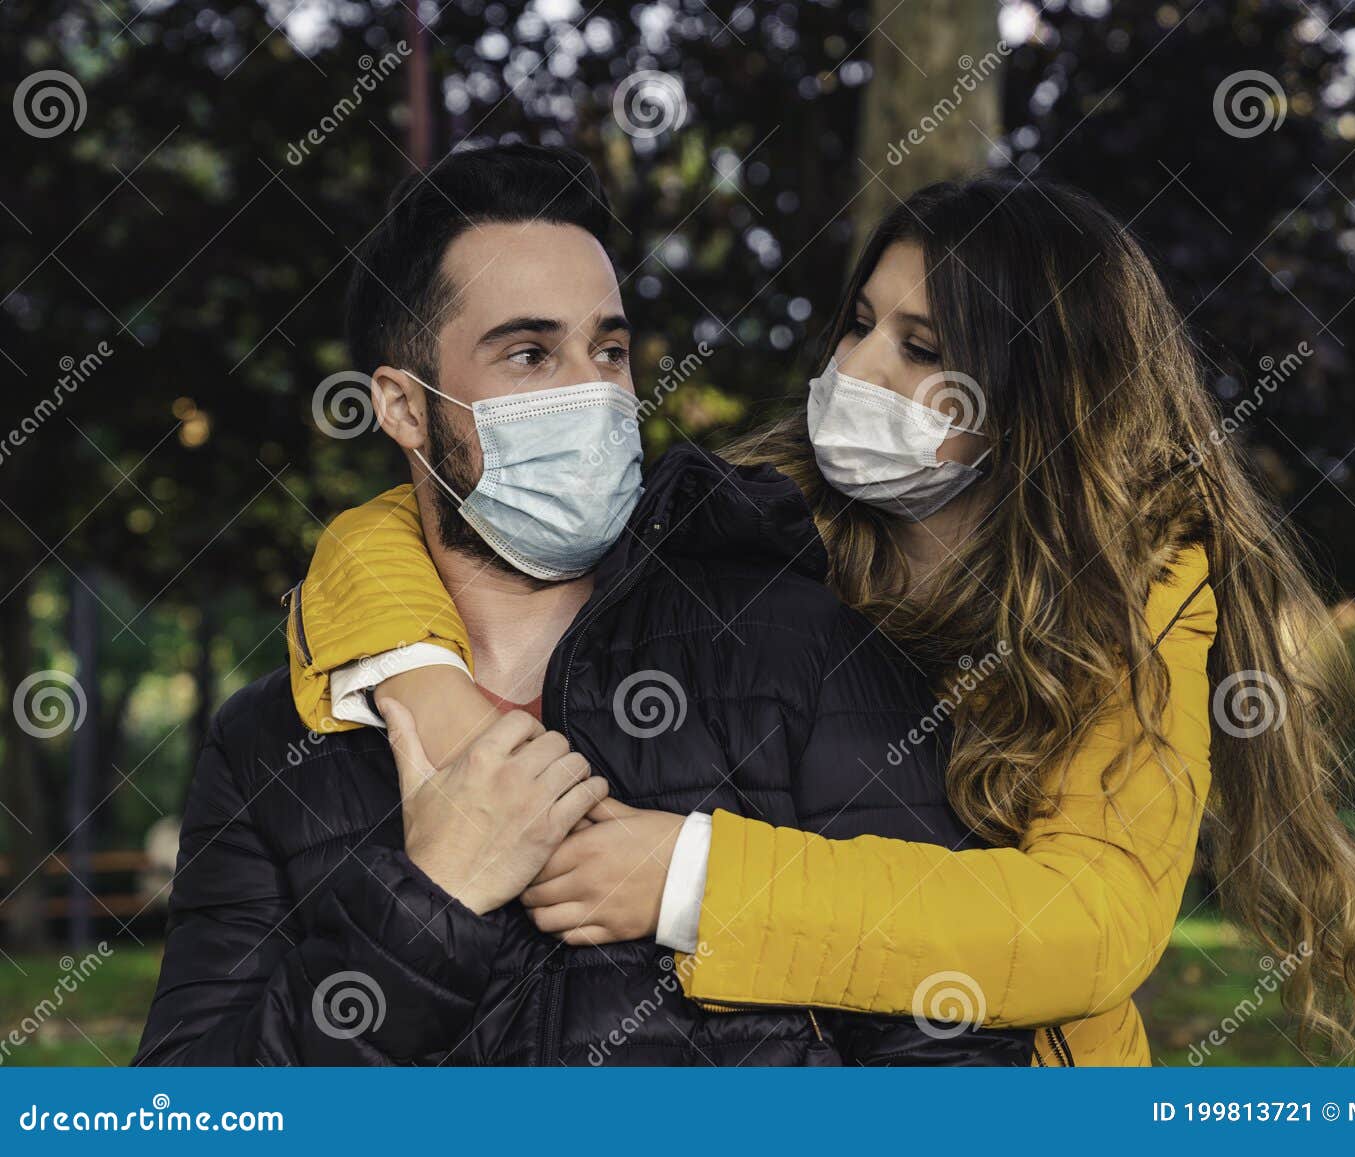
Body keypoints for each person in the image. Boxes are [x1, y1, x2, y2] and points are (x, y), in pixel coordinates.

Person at [283, 172, 1355, 1066]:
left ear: (1037, 390)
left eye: (920, 348)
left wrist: (695, 880)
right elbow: (392, 525)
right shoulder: (766, 508)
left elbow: (1091, 922)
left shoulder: (1140, 587)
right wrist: (429, 685)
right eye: (859, 322)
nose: (853, 368)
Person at [133, 143, 1032, 1066]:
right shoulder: (270, 747)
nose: (593, 391)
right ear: (404, 409)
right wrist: (428, 900)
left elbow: (953, 1055)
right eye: (529, 353)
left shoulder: (791, 647)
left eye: (607, 348)